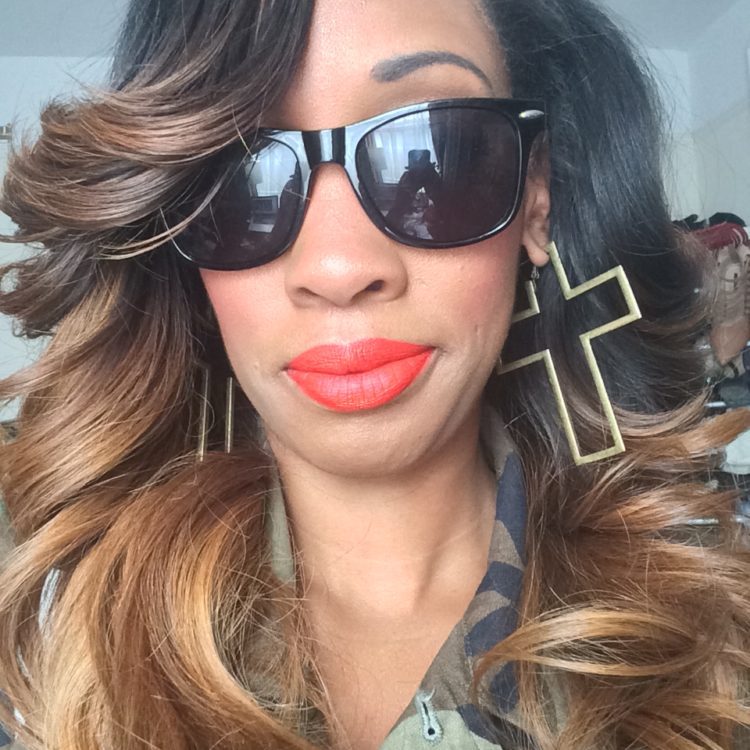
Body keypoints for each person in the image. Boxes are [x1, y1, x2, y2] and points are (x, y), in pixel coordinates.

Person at [0, 0, 748, 748]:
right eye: (241, 172)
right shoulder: (64, 640)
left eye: (434, 155)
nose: (337, 268)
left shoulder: (713, 646)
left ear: (534, 200)